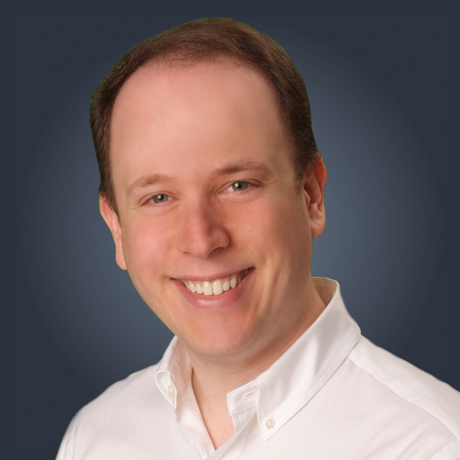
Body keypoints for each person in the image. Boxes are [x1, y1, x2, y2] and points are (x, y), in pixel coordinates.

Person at [56, 18, 460, 459]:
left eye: (238, 185)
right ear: (116, 227)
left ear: (311, 196)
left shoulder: (435, 444)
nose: (201, 239)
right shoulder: (93, 438)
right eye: (158, 197)